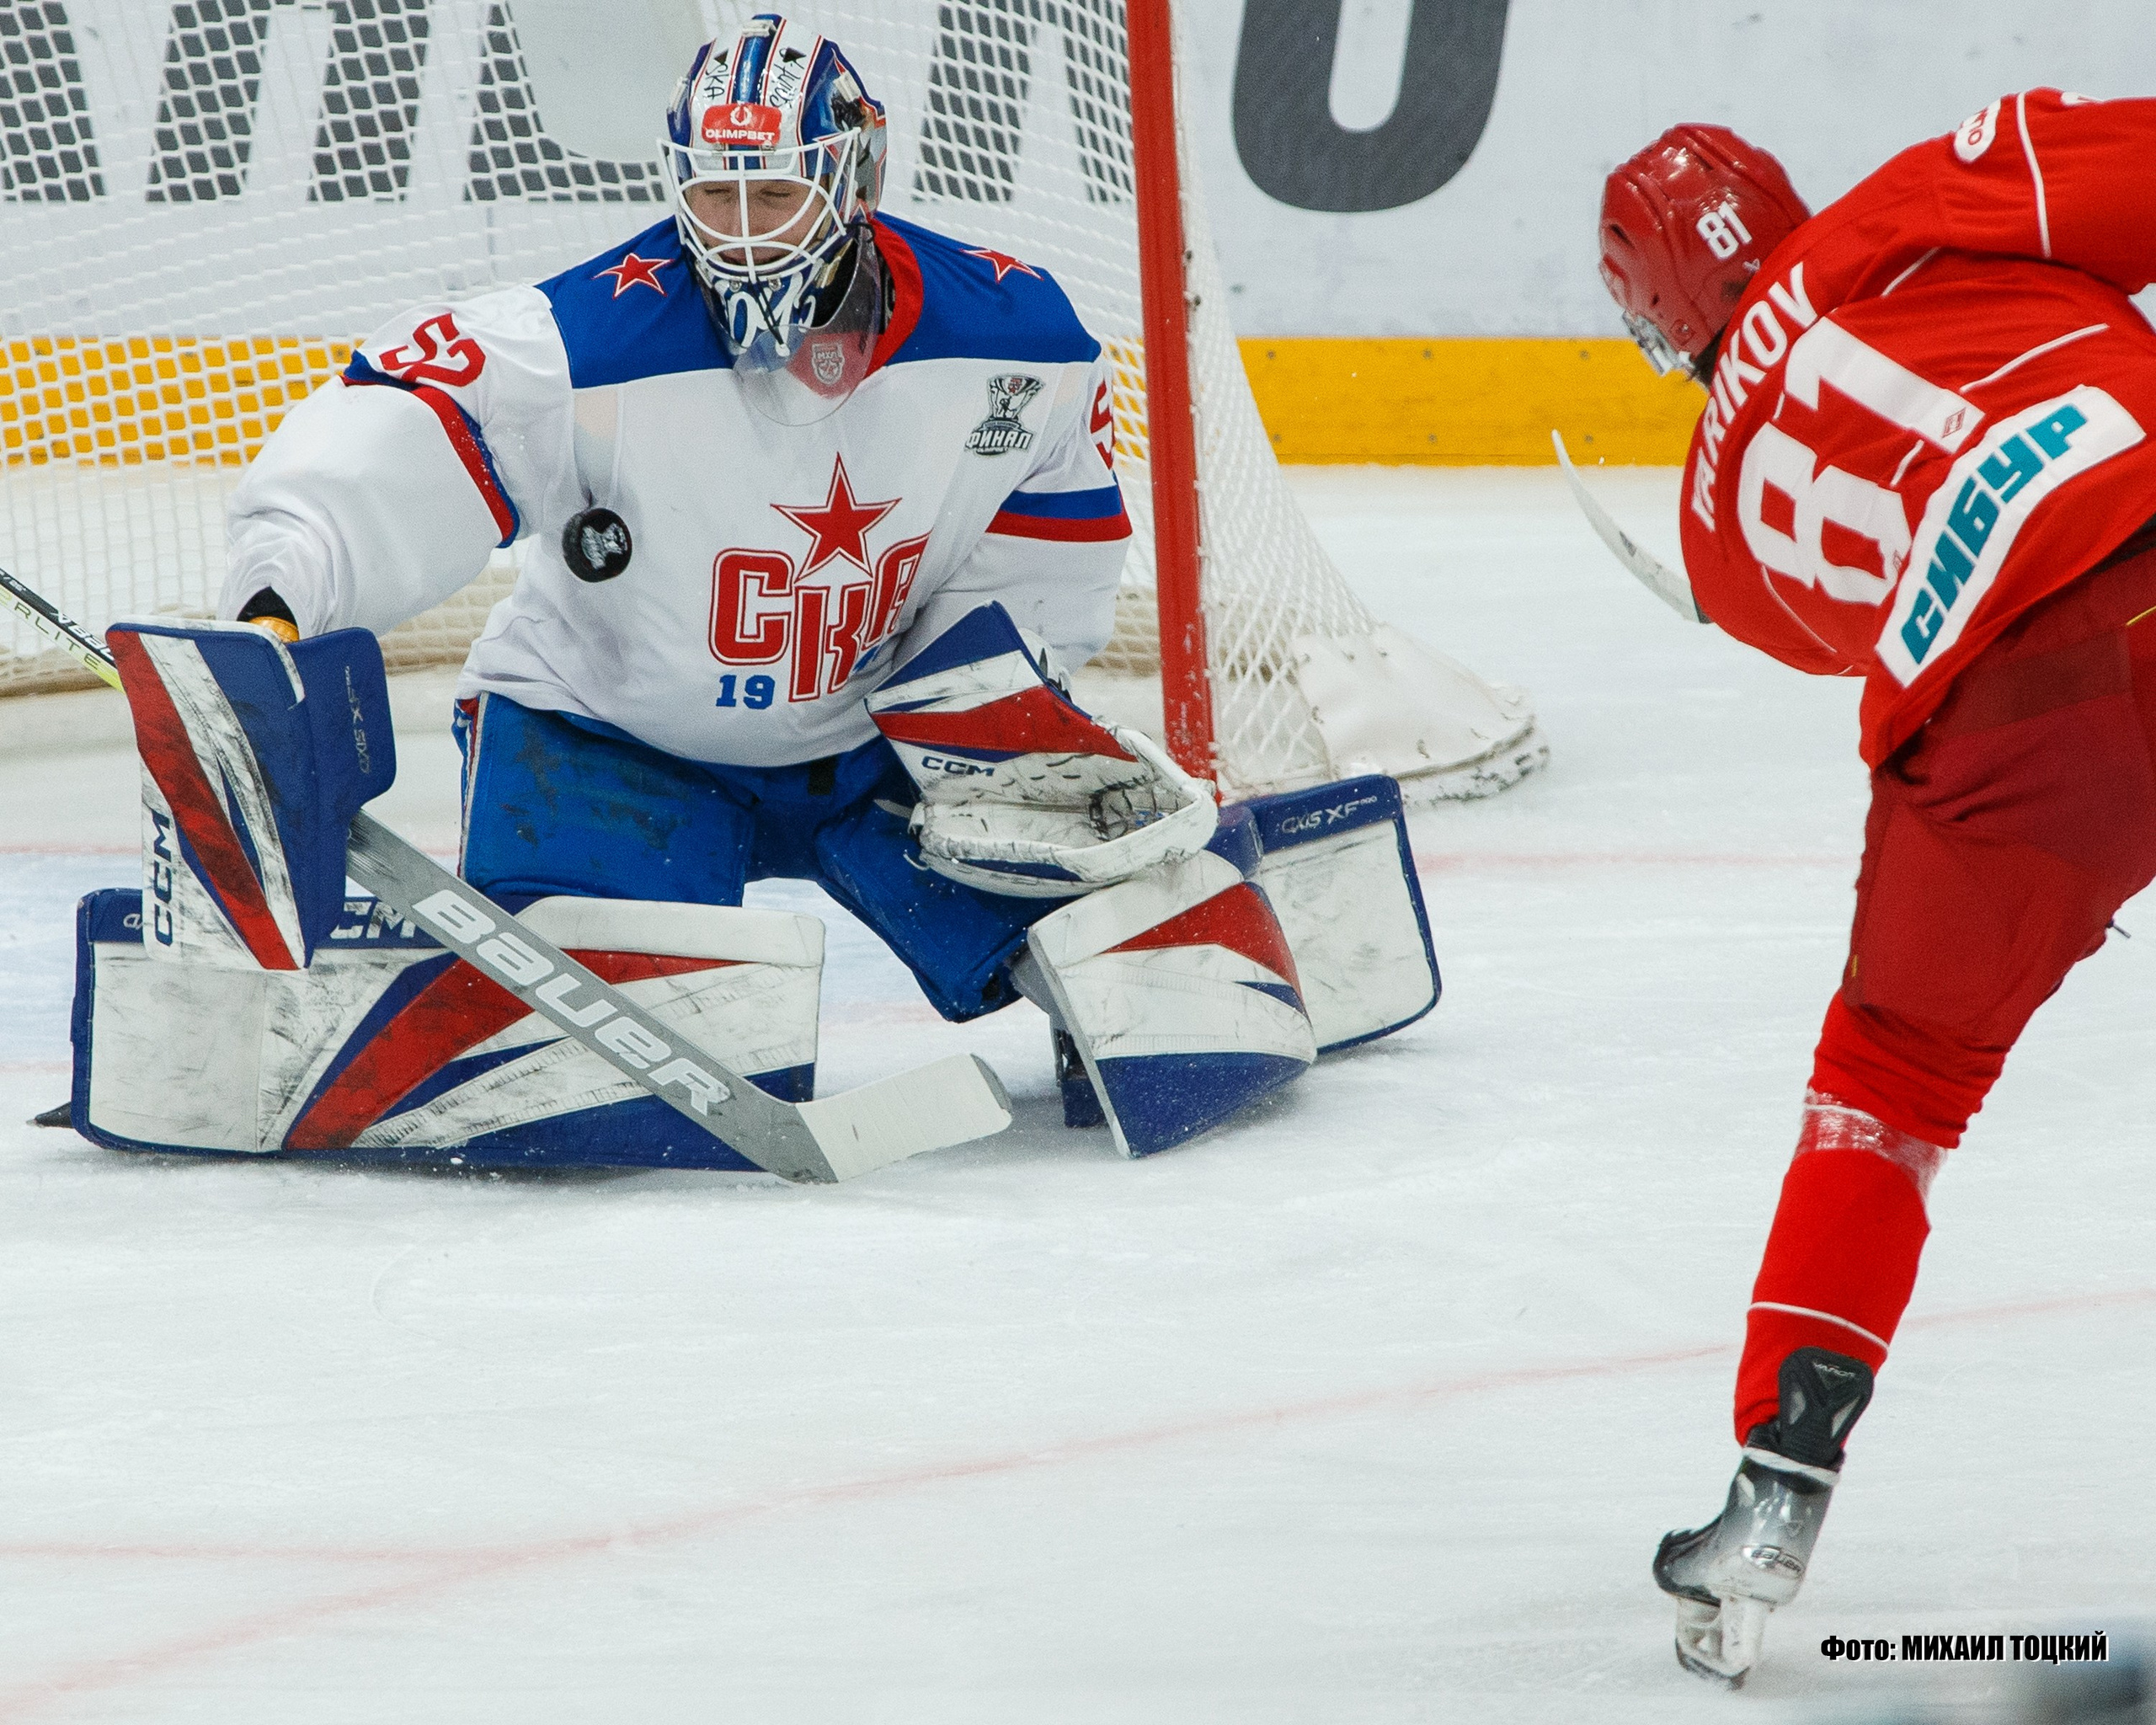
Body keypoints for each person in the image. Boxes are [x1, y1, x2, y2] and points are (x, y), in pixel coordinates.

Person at [111, 13, 1325, 1167]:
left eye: (778, 192)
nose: (743, 230)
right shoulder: (580, 342)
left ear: (854, 181)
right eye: (714, 193)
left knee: (1176, 1009)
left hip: (874, 740)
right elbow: (405, 421)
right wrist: (278, 601)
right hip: (613, 739)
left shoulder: (1016, 338)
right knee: (628, 1061)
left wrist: (1001, 709)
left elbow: (1049, 532)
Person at [1597, 91, 2156, 1686]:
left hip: (1999, 702)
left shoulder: (1714, 536)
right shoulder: (1918, 196)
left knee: (1888, 1088)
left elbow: (1825, 610)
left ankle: (1774, 1498)